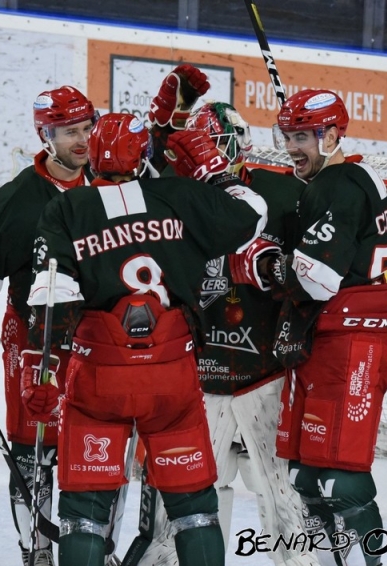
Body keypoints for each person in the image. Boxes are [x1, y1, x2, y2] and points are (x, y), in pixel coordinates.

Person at [21, 112, 270, 566]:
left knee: (85, 516)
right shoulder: (179, 196)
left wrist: (42, 372)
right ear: (144, 158)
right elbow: (254, 216)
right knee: (195, 510)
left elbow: (52, 298)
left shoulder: (67, 209)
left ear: (93, 157)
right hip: (171, 381)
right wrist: (214, 173)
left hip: (99, 381)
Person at [130, 101, 317, 566]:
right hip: (200, 374)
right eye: (202, 148)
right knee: (191, 494)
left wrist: (276, 270)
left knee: (281, 491)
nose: (209, 156)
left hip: (266, 371)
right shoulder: (177, 198)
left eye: (216, 146)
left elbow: (311, 272)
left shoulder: (281, 193)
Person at [232, 89, 387, 566]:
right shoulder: (349, 176)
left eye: (302, 136)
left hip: (350, 342)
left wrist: (259, 264)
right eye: (288, 135)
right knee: (306, 475)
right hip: (327, 338)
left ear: (331, 135)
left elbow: (317, 279)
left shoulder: (338, 186)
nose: (291, 147)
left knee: (338, 479)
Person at [0, 85, 97, 566]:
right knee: (33, 451)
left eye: (88, 128)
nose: (84, 140)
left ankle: (89, 546)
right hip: (34, 339)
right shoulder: (18, 200)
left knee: (96, 448)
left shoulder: (110, 183)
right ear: (45, 134)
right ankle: (37, 551)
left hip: (95, 338)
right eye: (71, 132)